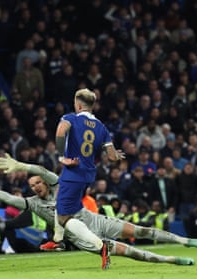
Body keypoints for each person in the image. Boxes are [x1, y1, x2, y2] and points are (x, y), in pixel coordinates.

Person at [0, 154, 197, 268]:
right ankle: (172, 260)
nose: (36, 186)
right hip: (82, 237)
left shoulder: (57, 184)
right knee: (135, 254)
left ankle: (186, 240)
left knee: (143, 230)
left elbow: (41, 169)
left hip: (95, 220)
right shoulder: (34, 204)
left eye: (37, 182)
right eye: (31, 186)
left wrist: (20, 165)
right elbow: (9, 198)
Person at [53, 88, 126, 269]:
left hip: (73, 171)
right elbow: (110, 155)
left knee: (63, 217)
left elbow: (60, 131)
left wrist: (62, 156)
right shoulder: (101, 126)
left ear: (78, 104)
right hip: (88, 175)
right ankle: (58, 240)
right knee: (66, 207)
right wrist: (116, 155)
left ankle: (101, 246)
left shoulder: (71, 118)